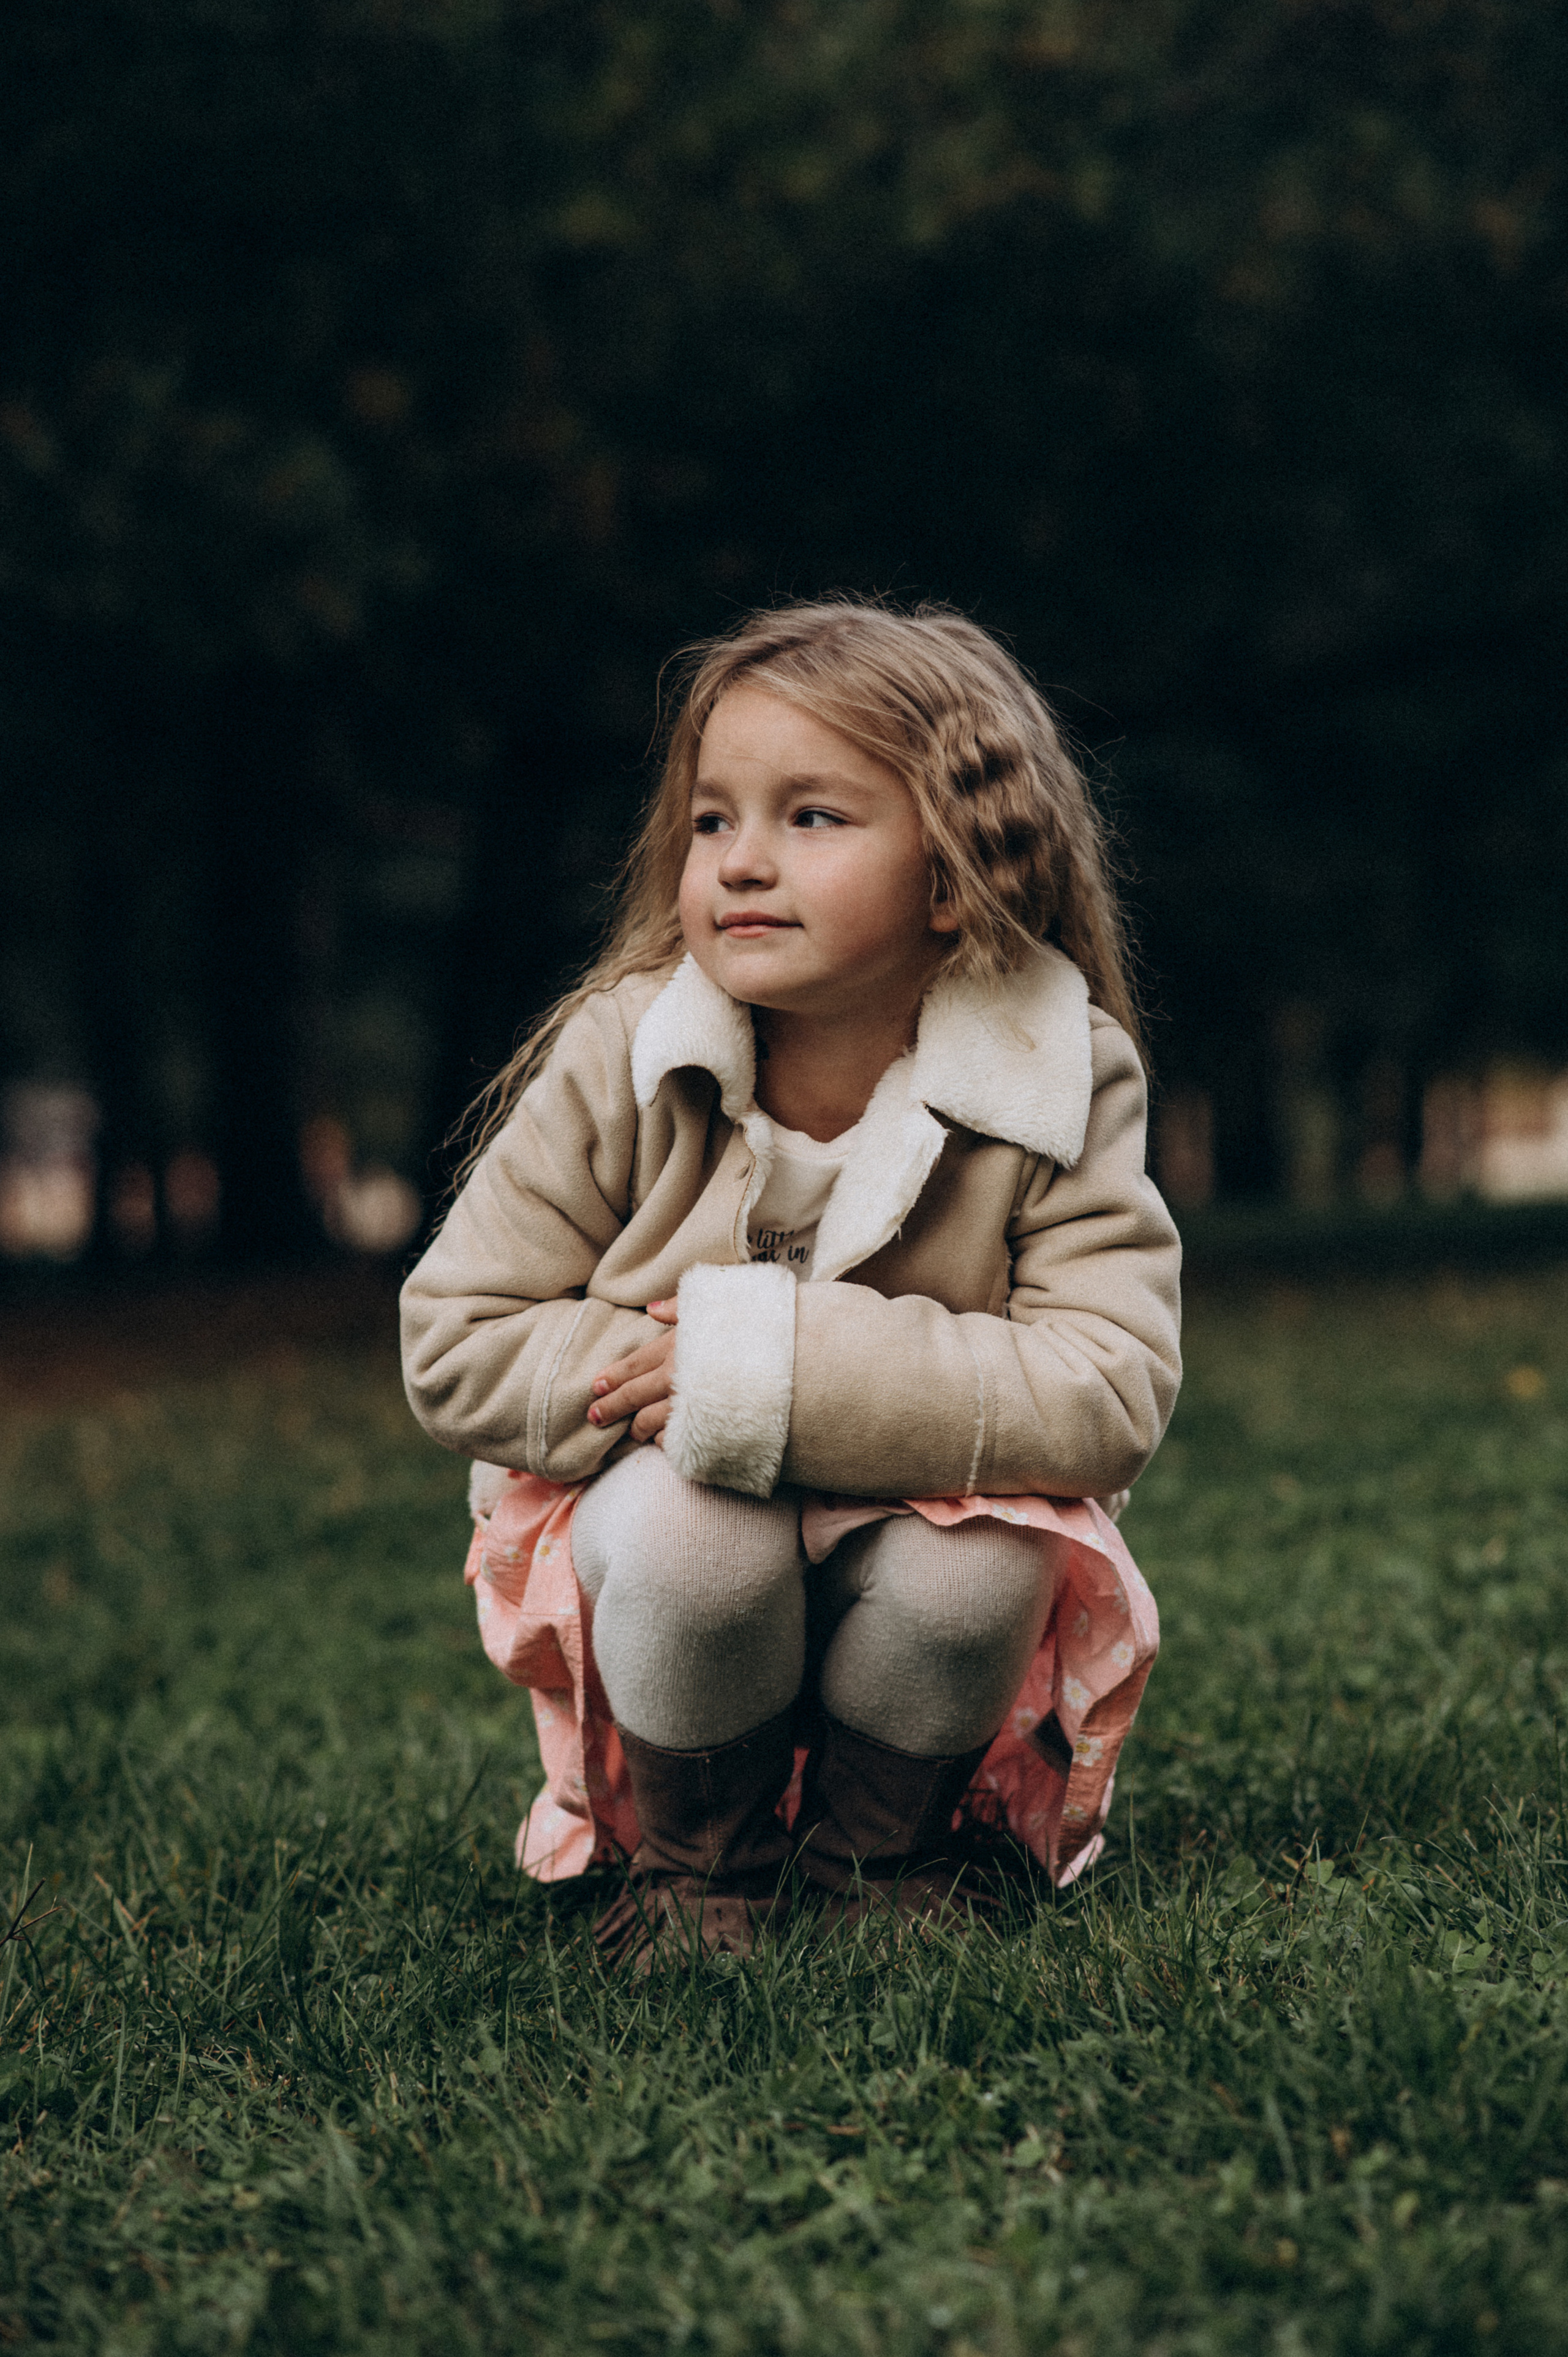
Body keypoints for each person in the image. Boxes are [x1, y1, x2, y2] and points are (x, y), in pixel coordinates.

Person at [401, 598, 1182, 1965]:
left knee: (985, 1564)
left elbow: (1108, 1378)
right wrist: (656, 1383)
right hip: (663, 1520)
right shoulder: (625, 1052)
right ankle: (701, 1875)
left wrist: (776, 1366)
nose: (741, 861)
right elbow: (456, 1334)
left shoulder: (1058, 1075)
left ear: (951, 875)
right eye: (713, 820)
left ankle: (882, 1859)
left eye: (811, 819)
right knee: (698, 1542)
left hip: (915, 1507)